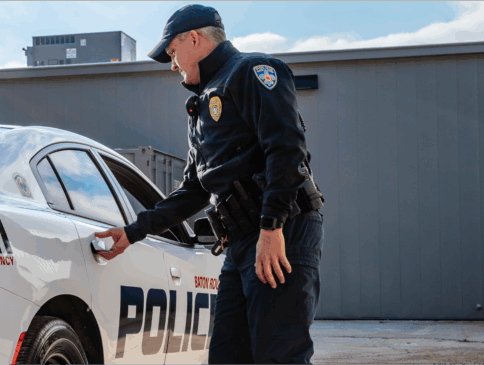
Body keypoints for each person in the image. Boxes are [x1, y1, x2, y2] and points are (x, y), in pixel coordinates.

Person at [94, 4, 325, 364]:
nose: (173, 65)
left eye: (173, 53)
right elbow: (195, 190)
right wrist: (133, 231)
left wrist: (271, 227)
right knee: (226, 356)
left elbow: (286, 149)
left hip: (281, 231)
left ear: (194, 39)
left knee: (279, 355)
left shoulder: (251, 71)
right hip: (241, 243)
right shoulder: (202, 104)